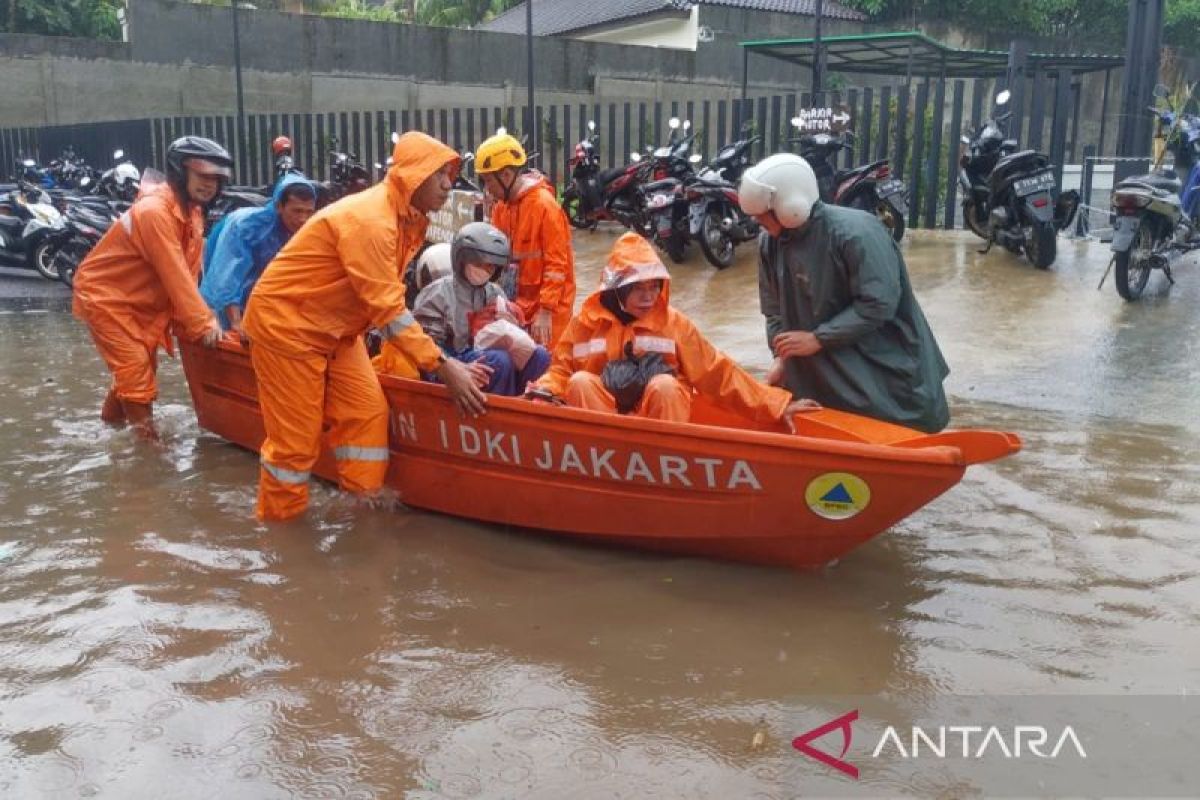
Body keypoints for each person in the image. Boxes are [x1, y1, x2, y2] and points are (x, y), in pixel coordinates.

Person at [242, 131, 486, 522]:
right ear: (413, 175)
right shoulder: (371, 221)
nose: (448, 184)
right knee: (294, 448)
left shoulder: (408, 220)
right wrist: (444, 366)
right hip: (287, 326)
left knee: (369, 412)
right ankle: (280, 538)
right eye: (440, 174)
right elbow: (389, 310)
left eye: (450, 174)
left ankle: (362, 503)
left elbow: (387, 303)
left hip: (339, 330)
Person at [739, 153, 950, 433]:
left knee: (891, 431)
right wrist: (782, 357)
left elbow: (878, 304)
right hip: (819, 367)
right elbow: (774, 309)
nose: (756, 221)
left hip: (878, 362)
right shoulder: (770, 243)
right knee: (826, 437)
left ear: (788, 206)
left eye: (762, 214)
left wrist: (818, 338)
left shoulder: (857, 233)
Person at [531, 232, 817, 428]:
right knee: (580, 381)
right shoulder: (584, 323)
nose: (648, 297)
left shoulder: (673, 324)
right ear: (617, 290)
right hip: (603, 432)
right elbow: (560, 370)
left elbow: (718, 374)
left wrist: (775, 406)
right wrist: (544, 391)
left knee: (665, 385)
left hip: (662, 430)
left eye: (653, 287)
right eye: (638, 290)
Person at [72, 136, 227, 440]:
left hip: (139, 301)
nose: (210, 185)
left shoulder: (192, 213)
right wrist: (202, 323)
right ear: (180, 172)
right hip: (107, 298)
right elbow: (174, 272)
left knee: (138, 370)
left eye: (216, 179)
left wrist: (199, 319)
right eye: (203, 176)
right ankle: (146, 453)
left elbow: (190, 271)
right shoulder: (155, 211)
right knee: (135, 371)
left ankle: (110, 429)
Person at [404, 221, 550, 396]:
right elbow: (425, 347)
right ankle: (495, 416)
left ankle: (526, 408)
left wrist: (515, 327)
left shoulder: (496, 293)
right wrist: (454, 365)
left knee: (540, 355)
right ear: (462, 260)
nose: (486, 270)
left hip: (487, 358)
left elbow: (514, 340)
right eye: (480, 264)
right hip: (447, 363)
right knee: (498, 361)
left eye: (491, 266)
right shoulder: (436, 294)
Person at [474, 132, 576, 347]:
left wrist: (546, 311)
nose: (487, 188)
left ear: (507, 175)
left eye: (488, 180)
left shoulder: (545, 206)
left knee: (548, 372)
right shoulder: (501, 208)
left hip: (549, 311)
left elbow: (557, 265)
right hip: (518, 305)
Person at [200, 173, 317, 343]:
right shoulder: (246, 226)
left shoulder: (307, 230)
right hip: (226, 258)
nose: (303, 219)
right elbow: (228, 276)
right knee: (228, 330)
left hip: (261, 278)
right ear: (279, 206)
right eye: (297, 211)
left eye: (309, 212)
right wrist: (237, 323)